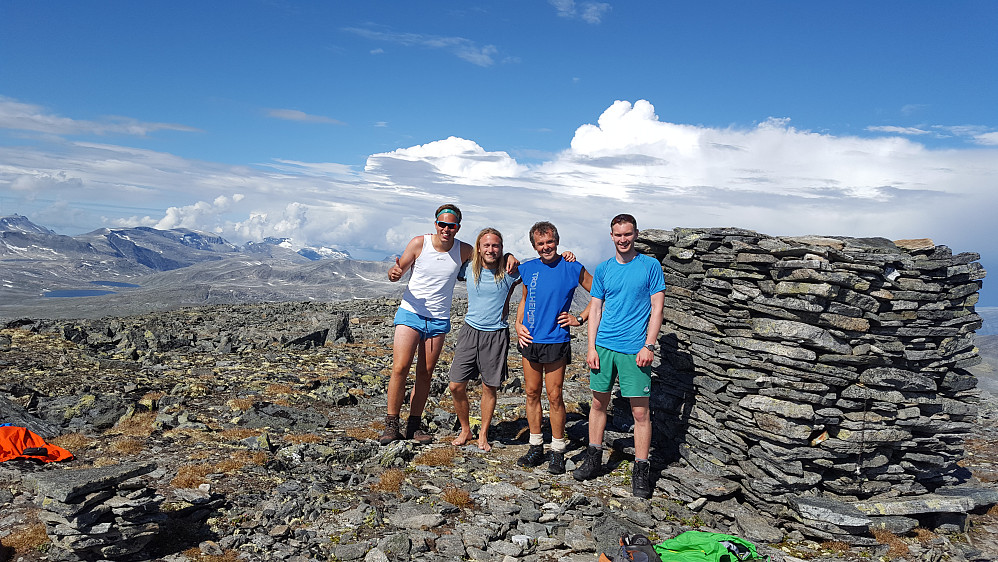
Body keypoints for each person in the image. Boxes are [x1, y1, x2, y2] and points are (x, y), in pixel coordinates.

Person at [573, 213, 666, 499]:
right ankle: (593, 458)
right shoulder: (603, 269)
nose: (623, 239)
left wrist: (649, 345)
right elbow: (596, 309)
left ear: (635, 234)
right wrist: (590, 347)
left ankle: (640, 470)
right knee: (599, 403)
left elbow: (657, 308)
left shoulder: (650, 266)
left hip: (635, 349)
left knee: (640, 411)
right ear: (611, 236)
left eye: (627, 234)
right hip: (604, 347)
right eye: (618, 235)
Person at [380, 204, 478, 445]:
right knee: (401, 367)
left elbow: (489, 257)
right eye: (442, 224)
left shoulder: (464, 249)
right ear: (435, 224)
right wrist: (394, 273)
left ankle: (413, 425)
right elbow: (399, 270)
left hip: (438, 319)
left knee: (425, 374)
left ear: (458, 227)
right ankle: (392, 424)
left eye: (451, 225)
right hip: (411, 313)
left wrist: (509, 258)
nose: (446, 229)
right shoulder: (418, 243)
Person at [514, 221, 592, 474]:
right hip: (530, 339)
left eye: (549, 242)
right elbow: (525, 298)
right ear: (534, 246)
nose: (546, 247)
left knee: (555, 395)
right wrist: (517, 324)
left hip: (557, 339)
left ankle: (558, 449)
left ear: (556, 241)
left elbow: (600, 293)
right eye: (540, 244)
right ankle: (536, 444)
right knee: (531, 392)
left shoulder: (572, 267)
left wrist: (580, 318)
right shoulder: (528, 268)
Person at [448, 228, 520, 452]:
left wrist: (567, 255)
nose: (491, 249)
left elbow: (540, 267)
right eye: (486, 245)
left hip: (496, 335)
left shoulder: (510, 272)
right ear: (478, 247)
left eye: (496, 245)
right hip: (470, 332)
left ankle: (483, 435)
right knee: (455, 385)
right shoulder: (469, 268)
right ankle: (465, 428)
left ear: (502, 248)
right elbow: (445, 262)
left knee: (490, 388)